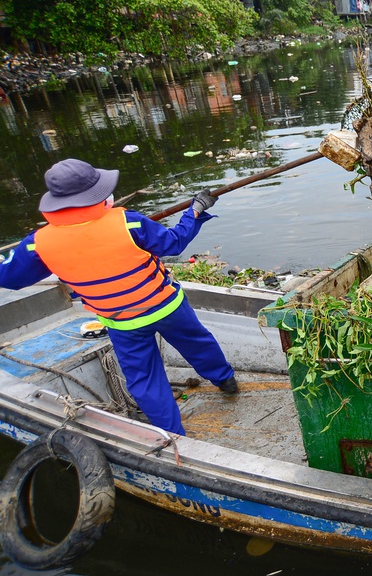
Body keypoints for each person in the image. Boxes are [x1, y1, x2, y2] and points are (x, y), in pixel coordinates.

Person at [0, 159, 237, 435]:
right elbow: (173, 242)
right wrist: (195, 210)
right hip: (166, 307)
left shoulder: (37, 243)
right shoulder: (128, 221)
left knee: (145, 379)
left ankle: (171, 435)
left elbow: (10, 277)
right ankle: (225, 380)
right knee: (198, 342)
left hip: (122, 322)